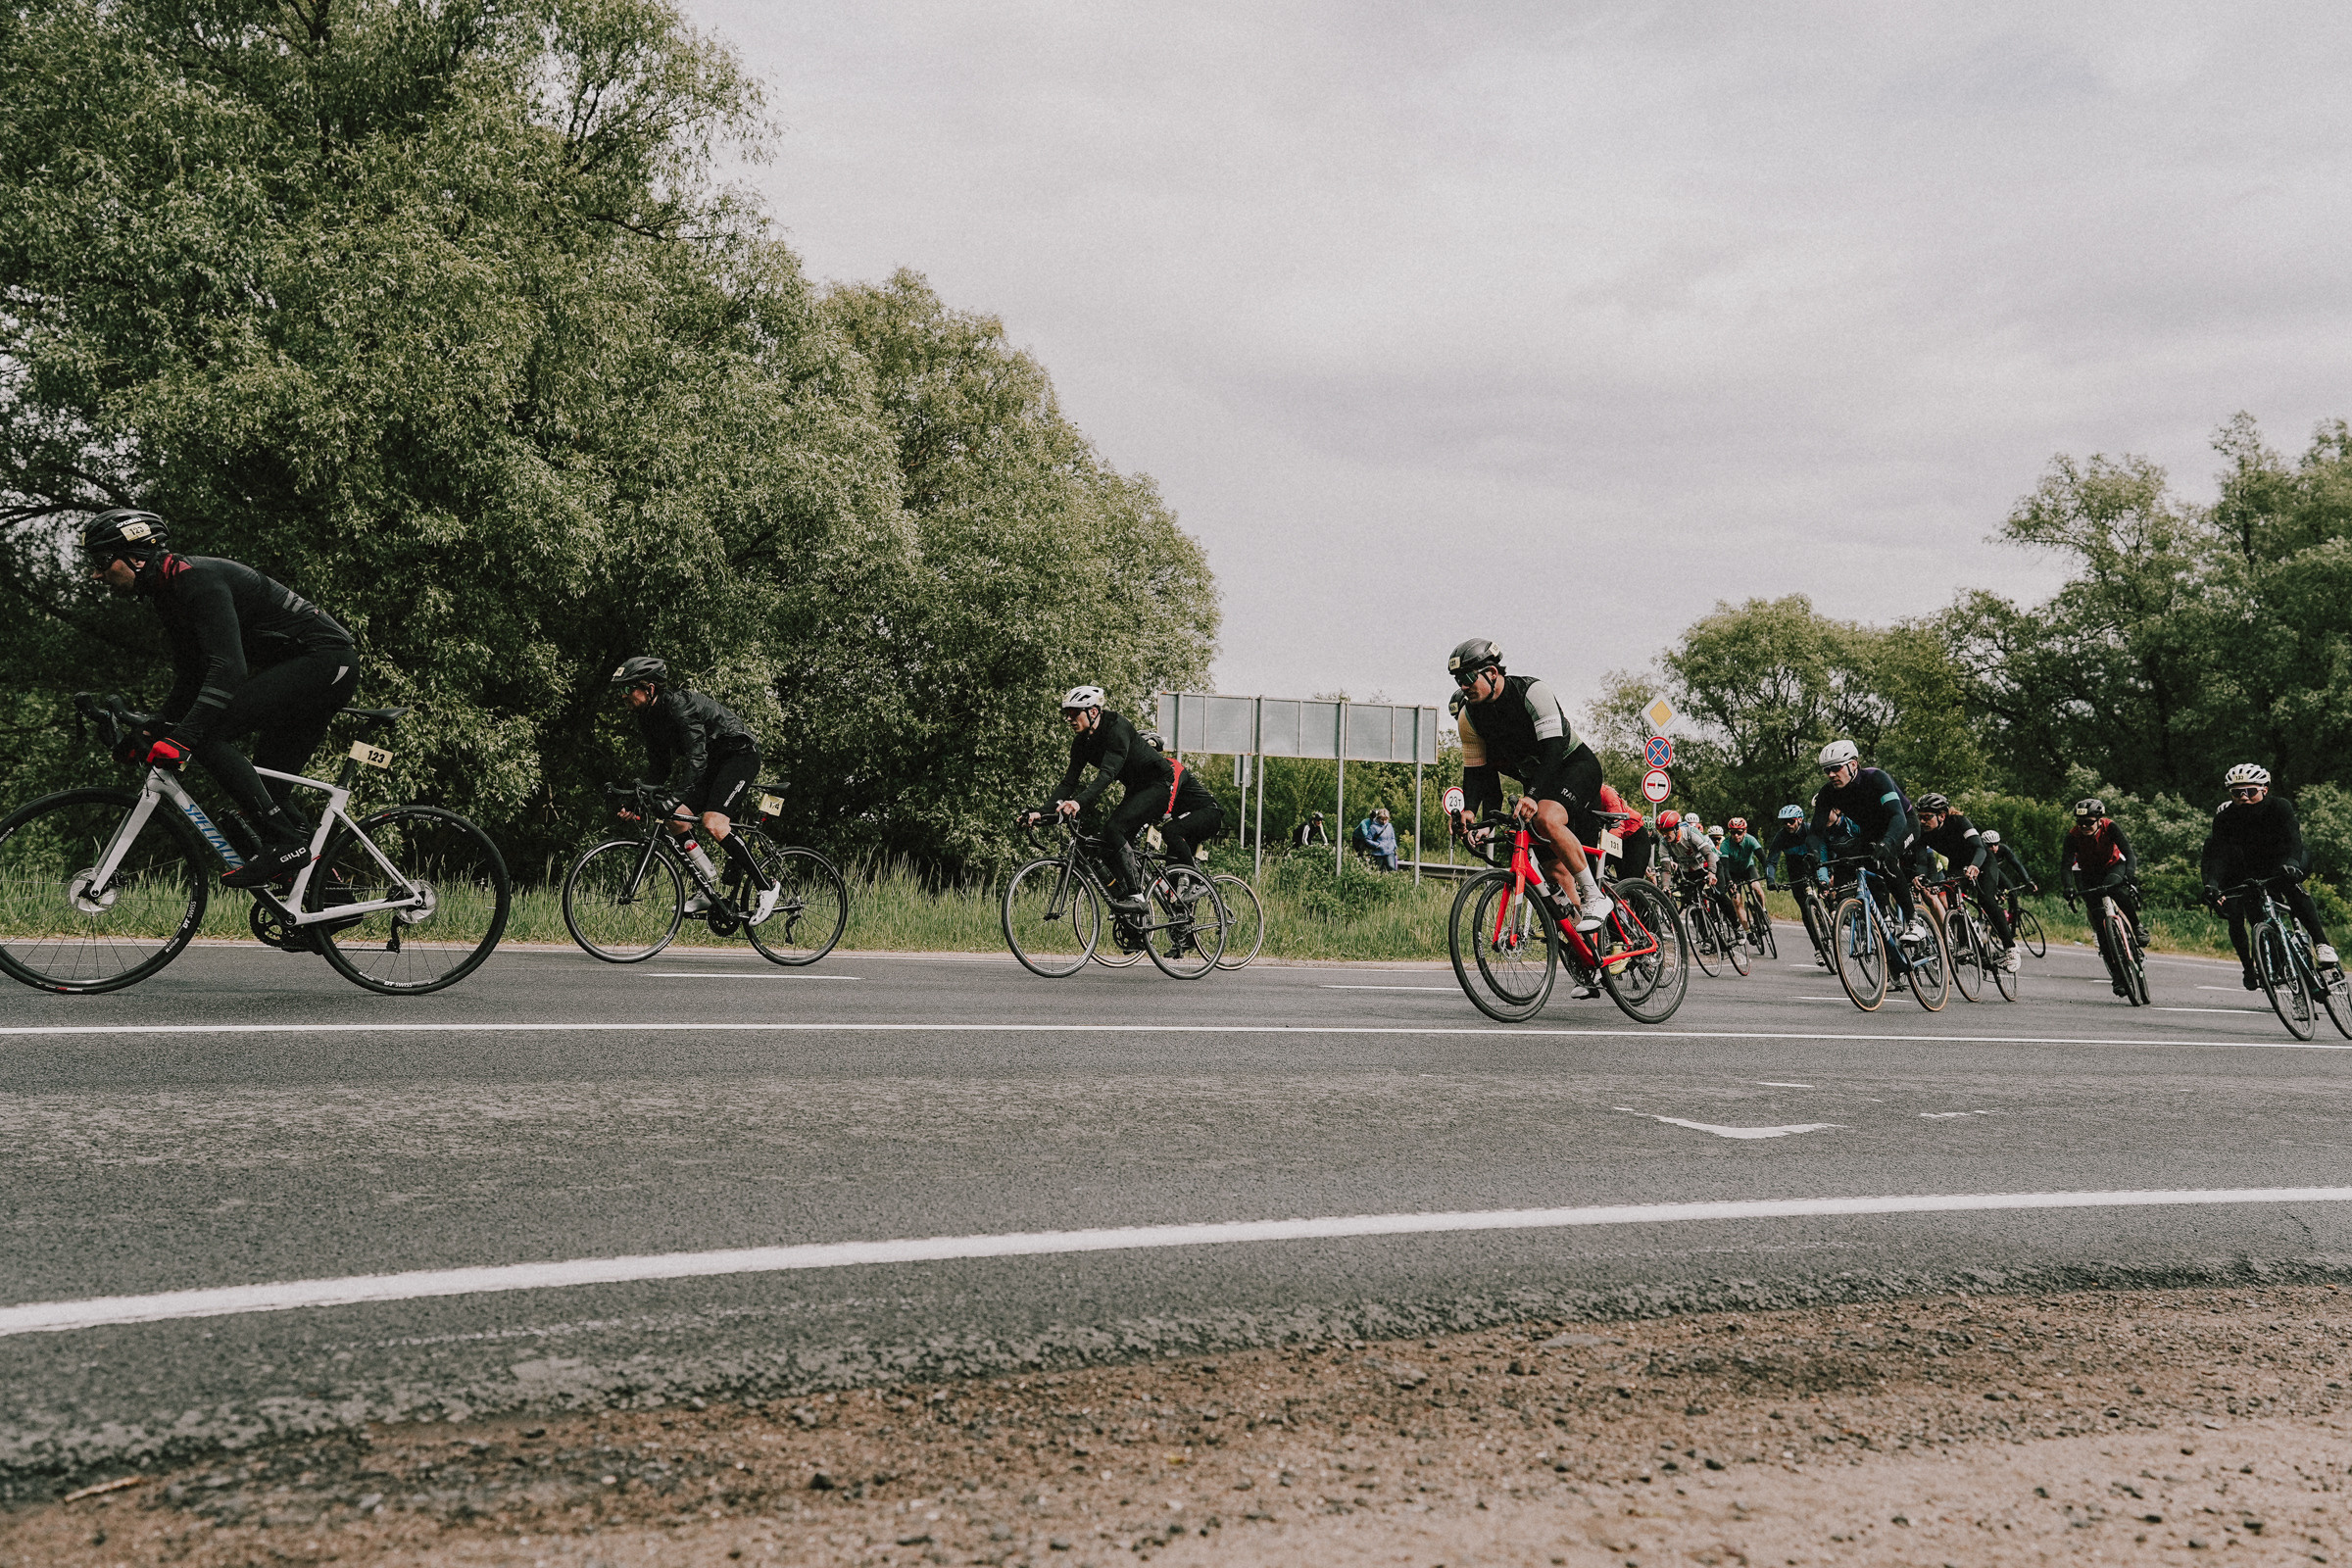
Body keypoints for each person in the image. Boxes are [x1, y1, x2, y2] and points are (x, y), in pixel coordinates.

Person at [84, 509, 359, 888]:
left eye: (101, 561)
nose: (96, 574)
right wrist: (154, 731)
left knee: (207, 734)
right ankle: (321, 891)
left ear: (136, 556)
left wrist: (181, 738)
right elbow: (192, 676)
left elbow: (228, 669)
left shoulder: (198, 581)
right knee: (270, 791)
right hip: (308, 667)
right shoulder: (167, 593)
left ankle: (285, 843)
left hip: (326, 662)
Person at [1444, 638, 1614, 930]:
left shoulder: (1533, 692)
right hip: (1539, 783)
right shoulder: (1468, 717)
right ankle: (1585, 943)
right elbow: (1477, 774)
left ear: (1492, 672)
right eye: (1459, 680)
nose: (1464, 685)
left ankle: (1595, 896)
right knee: (1552, 869)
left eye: (1469, 678)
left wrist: (1534, 795)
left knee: (1545, 817)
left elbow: (1552, 749)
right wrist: (1471, 811)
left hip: (1573, 766)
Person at [612, 656, 774, 920]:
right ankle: (706, 887)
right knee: (675, 821)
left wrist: (674, 797)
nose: (622, 696)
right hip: (713, 764)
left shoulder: (680, 706)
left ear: (650, 688)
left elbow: (696, 760)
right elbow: (659, 768)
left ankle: (767, 886)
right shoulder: (647, 717)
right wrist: (633, 801)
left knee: (714, 823)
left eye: (627, 688)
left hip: (739, 755)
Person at [1025, 685, 1174, 913]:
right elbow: (1068, 783)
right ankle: (1133, 921)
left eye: (1074, 713)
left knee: (1114, 828)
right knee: (1106, 844)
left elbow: (1107, 775)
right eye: (1067, 713)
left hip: (1157, 785)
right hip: (1135, 789)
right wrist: (1041, 812)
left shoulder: (1117, 728)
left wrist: (1078, 803)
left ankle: (1136, 896)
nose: (1069, 718)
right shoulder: (1082, 742)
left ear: (1092, 712)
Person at [2201, 764, 2338, 990]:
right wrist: (2212, 884)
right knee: (2253, 905)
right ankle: (2279, 959)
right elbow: (2218, 855)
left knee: (2291, 885)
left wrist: (2292, 864)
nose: (2243, 797)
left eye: (2250, 791)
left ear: (2264, 789)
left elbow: (2294, 839)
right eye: (2237, 793)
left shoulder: (2279, 807)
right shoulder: (2225, 819)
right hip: (2256, 867)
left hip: (2290, 858)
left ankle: (2322, 944)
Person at [1804, 740, 1925, 940]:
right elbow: (1815, 832)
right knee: (1859, 862)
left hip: (1903, 824)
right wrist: (1814, 853)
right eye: (1827, 770)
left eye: (1836, 768)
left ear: (1853, 764)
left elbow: (1897, 816)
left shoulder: (1876, 778)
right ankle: (1885, 915)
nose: (1831, 774)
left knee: (1886, 860)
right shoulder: (1828, 793)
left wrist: (1888, 843)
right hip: (1872, 831)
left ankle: (1914, 921)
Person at [1914, 793, 2018, 971]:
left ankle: (2011, 949)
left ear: (1942, 816)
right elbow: (1922, 860)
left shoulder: (1960, 822)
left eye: (1927, 817)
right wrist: (1920, 876)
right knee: (1953, 901)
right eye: (1920, 817)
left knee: (1986, 900)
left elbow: (1979, 847)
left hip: (1982, 861)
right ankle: (1964, 944)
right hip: (1957, 864)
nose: (1922, 821)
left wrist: (1975, 866)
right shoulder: (1924, 833)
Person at [2060, 798, 2145, 996]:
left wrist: (2129, 874)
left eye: (2089, 822)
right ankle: (2118, 978)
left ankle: (2137, 926)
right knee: (2100, 926)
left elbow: (2129, 853)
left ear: (2099, 819)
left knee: (2114, 888)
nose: (2083, 826)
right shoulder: (2072, 836)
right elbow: (2065, 865)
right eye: (2080, 822)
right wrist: (2068, 887)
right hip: (2088, 873)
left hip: (2113, 865)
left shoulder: (2110, 827)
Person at [1137, 729, 1225, 869]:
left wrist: (1160, 813)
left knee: (1170, 830)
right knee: (1172, 865)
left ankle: (1195, 878)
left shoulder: (1172, 766)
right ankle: (1178, 888)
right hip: (1188, 819)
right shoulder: (1148, 778)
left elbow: (1170, 795)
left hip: (1209, 813)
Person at [1716, 816, 1769, 942]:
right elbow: (1725, 867)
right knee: (1736, 900)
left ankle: (1764, 911)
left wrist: (1768, 872)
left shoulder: (1750, 839)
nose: (1736, 835)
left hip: (1747, 869)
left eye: (1739, 832)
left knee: (1756, 887)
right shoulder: (1725, 845)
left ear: (1744, 831)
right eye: (1733, 832)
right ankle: (1748, 931)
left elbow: (1762, 857)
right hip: (1732, 873)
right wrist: (1729, 881)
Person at [1356, 807, 1399, 871]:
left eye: (1386, 820)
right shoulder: (1373, 827)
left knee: (1392, 868)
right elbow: (1367, 839)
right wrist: (1377, 845)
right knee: (1377, 870)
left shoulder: (1389, 826)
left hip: (1390, 851)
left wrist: (1394, 846)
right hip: (1378, 853)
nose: (1384, 822)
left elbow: (1392, 837)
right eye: (1382, 819)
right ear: (1378, 818)